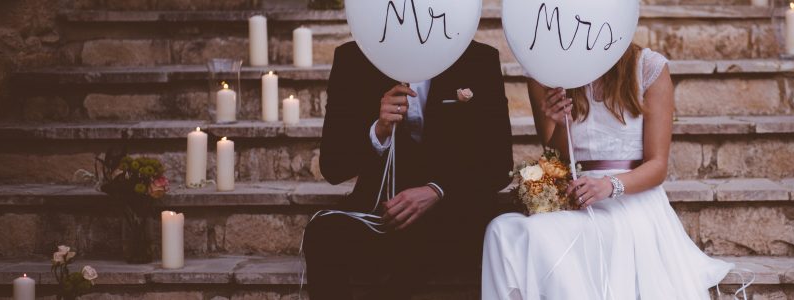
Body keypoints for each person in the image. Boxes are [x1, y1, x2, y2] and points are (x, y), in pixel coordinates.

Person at [482, 44, 733, 299]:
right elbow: (557, 158)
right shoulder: (546, 72)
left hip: (632, 202)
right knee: (501, 231)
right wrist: (562, 125)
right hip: (576, 199)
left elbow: (657, 166)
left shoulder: (648, 67)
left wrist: (609, 185)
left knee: (546, 237)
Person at [304, 40, 514, 299]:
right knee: (321, 235)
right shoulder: (354, 58)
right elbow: (333, 167)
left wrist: (437, 190)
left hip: (452, 215)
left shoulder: (477, 59)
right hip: (384, 212)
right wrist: (377, 130)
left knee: (424, 243)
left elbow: (500, 164)